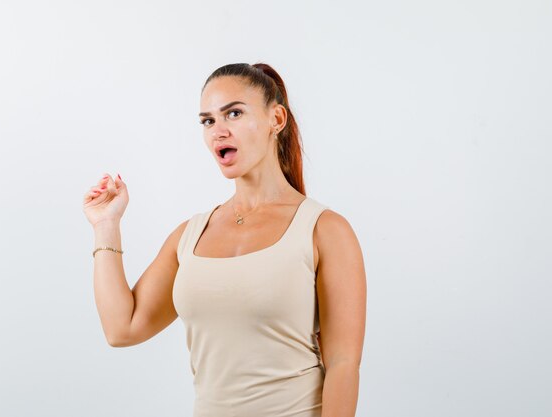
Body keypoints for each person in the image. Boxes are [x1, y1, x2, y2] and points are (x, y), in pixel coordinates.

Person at [83, 62, 366, 416]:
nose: (218, 130)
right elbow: (121, 328)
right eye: (208, 120)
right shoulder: (190, 235)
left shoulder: (324, 230)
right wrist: (106, 224)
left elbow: (343, 365)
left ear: (276, 120)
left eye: (233, 113)